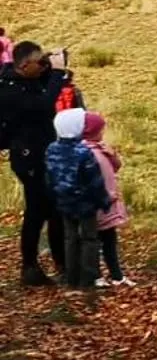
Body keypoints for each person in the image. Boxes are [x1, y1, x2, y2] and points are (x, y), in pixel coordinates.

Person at [0, 40, 84, 286]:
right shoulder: (8, 90)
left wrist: (51, 64)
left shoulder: (24, 78)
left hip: (44, 153)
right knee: (37, 211)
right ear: (25, 65)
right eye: (38, 64)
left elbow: (44, 86)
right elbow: (43, 105)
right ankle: (30, 266)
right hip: (28, 158)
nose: (42, 68)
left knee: (53, 209)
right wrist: (57, 73)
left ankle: (61, 262)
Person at [45, 108, 108, 289]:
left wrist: (54, 195)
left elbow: (49, 176)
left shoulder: (52, 149)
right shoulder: (83, 152)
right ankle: (88, 277)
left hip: (63, 201)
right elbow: (94, 180)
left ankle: (71, 277)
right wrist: (103, 201)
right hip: (85, 203)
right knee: (89, 238)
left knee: (70, 237)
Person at [81, 113, 131, 287]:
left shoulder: (100, 148)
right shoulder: (85, 153)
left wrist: (112, 155)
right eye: (100, 130)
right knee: (94, 241)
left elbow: (115, 167)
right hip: (98, 204)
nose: (103, 133)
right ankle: (97, 276)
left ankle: (116, 275)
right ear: (92, 131)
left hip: (108, 204)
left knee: (109, 240)